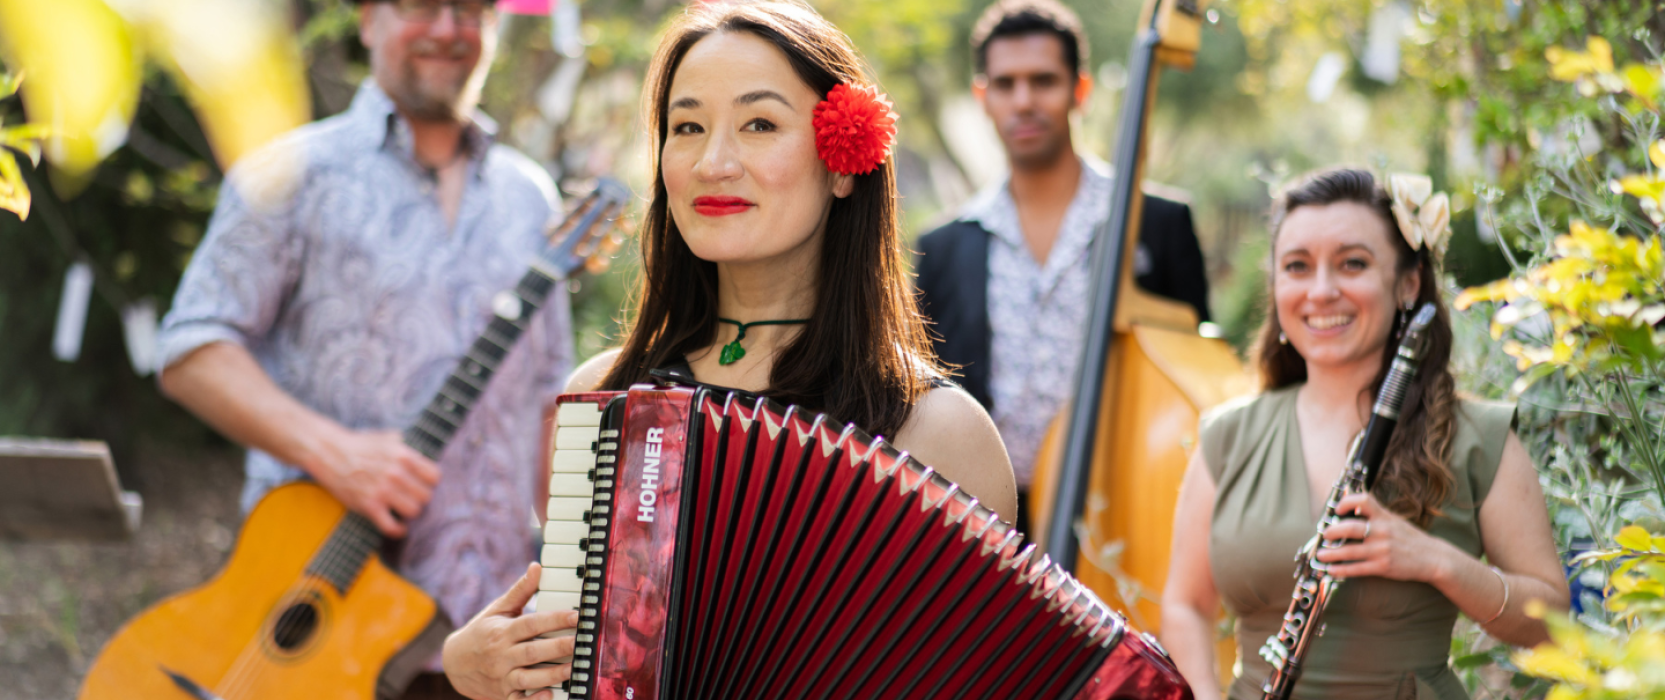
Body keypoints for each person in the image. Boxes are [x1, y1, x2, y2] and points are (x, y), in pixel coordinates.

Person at [438, 2, 1018, 698]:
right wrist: (480, 668)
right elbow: (578, 672)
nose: (713, 162)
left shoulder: (938, 433)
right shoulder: (605, 399)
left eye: (759, 124)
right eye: (686, 127)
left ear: (843, 162)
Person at [155, 0, 572, 696]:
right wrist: (333, 451)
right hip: (324, 629)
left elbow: (550, 401)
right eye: (419, 6)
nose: (447, 30)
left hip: (498, 632)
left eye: (469, 9)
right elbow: (193, 346)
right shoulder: (290, 173)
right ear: (367, 19)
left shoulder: (531, 197)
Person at [1159, 168, 1569, 700]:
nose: (1322, 290)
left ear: (1408, 283)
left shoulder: (1478, 439)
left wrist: (1435, 561)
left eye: (1352, 263)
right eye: (1297, 267)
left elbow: (1553, 627)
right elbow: (1185, 605)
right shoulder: (1228, 436)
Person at [913, 0, 1211, 530]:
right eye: (1005, 84)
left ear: (1081, 89)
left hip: (1124, 518)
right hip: (985, 523)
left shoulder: (1159, 223)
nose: (1023, 101)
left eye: (1043, 81)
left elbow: (1192, 381)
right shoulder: (941, 247)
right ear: (983, 97)